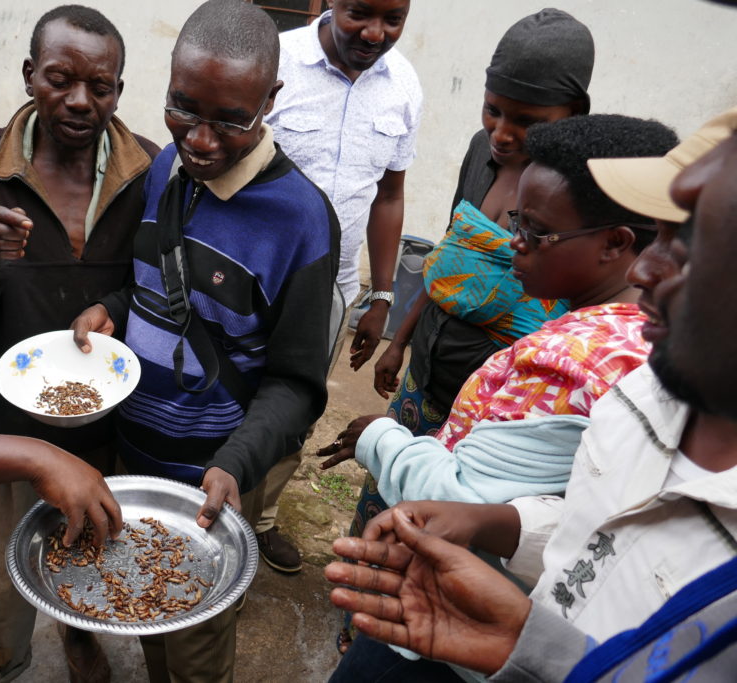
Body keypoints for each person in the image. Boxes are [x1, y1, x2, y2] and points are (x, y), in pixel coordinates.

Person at [324, 105, 737, 682]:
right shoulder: (646, 384)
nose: (650, 272)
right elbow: (597, 532)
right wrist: (505, 534)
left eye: (687, 252)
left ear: (614, 243)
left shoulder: (575, 356)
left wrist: (382, 439)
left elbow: (460, 491)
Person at [70, 1, 339, 679]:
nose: (201, 139)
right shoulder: (166, 170)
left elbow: (297, 382)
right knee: (145, 608)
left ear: (270, 101)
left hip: (214, 480)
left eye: (231, 120)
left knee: (196, 645)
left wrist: (238, 461)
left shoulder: (302, 222)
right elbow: (156, 283)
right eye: (183, 107)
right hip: (136, 457)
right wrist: (109, 307)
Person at [319, 15, 595, 634]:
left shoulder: (577, 191)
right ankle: (360, 612)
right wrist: (403, 337)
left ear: (573, 113)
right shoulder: (480, 153)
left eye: (527, 122)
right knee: (391, 492)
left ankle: (404, 632)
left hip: (491, 411)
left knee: (444, 527)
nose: (501, 133)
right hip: (428, 374)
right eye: (493, 111)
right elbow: (450, 254)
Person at [0, 5, 159, 681]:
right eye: (60, 78)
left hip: (105, 420)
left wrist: (110, 305)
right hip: (0, 432)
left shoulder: (147, 172)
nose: (81, 101)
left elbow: (151, 286)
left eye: (102, 86)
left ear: (119, 89)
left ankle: (78, 631)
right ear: (30, 76)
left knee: (88, 550)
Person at [255, 0, 422, 574]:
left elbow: (390, 196)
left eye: (393, 20)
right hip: (249, 280)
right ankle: (208, 506)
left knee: (295, 404)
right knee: (226, 396)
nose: (375, 33)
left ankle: (260, 521)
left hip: (330, 290)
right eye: (359, 13)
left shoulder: (403, 85)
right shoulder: (277, 59)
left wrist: (379, 296)